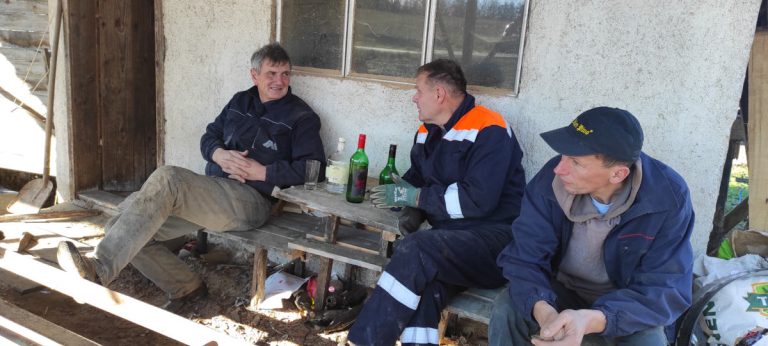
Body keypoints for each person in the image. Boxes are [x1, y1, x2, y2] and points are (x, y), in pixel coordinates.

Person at [56, 43, 326, 310]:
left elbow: (315, 168)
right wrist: (218, 154)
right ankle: (186, 287)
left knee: (169, 178)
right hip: (215, 190)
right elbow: (210, 136)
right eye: (271, 74)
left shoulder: (301, 116)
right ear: (254, 75)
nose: (280, 81)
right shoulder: (240, 101)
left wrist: (263, 171)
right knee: (123, 225)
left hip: (253, 200)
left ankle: (100, 269)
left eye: (285, 74)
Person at [348, 59, 526, 345]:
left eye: (418, 90)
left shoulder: (489, 128)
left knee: (415, 249)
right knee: (423, 292)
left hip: (495, 243)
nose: (414, 98)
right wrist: (405, 201)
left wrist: (416, 197)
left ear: (439, 94)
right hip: (448, 244)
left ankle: (365, 341)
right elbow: (416, 180)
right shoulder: (426, 132)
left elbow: (477, 201)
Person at [489, 107, 694, 345]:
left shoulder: (667, 197)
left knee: (650, 342)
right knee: (507, 308)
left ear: (617, 174)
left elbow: (664, 288)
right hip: (561, 291)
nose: (559, 168)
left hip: (624, 303)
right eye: (564, 155)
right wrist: (546, 314)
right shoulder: (550, 181)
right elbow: (524, 257)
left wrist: (592, 320)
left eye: (576, 162)